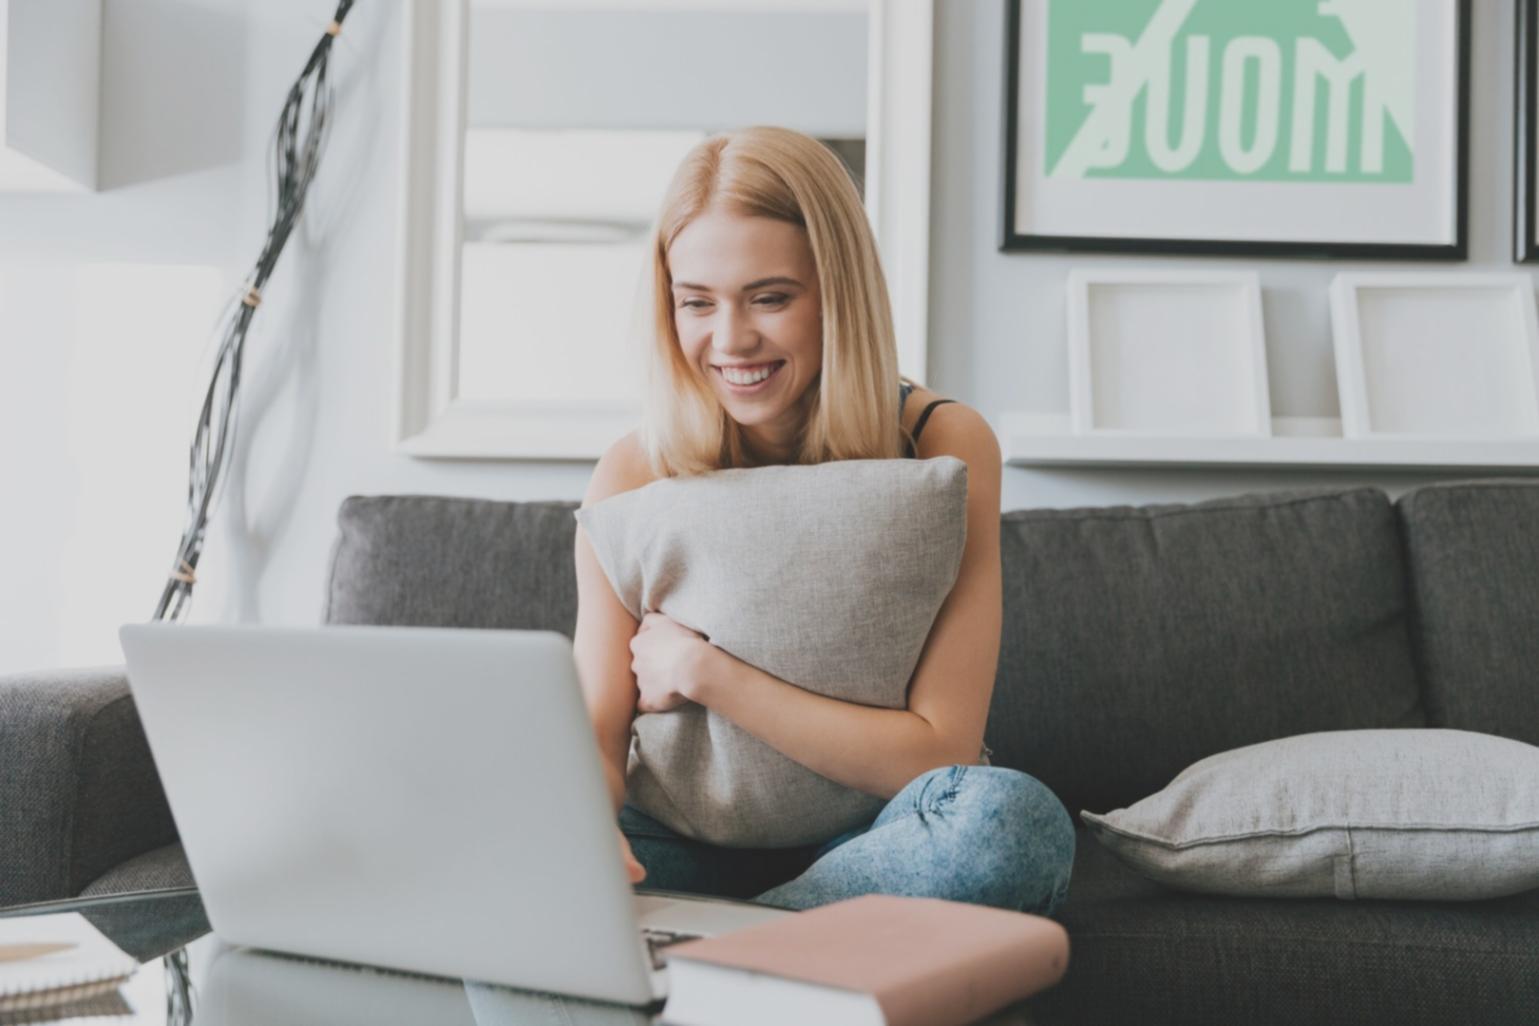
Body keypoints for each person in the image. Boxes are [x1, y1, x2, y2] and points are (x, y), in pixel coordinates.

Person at [572, 125, 1074, 915]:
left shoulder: (941, 443)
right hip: (676, 843)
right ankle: (798, 951)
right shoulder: (633, 470)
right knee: (499, 856)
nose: (731, 340)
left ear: (838, 293)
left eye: (770, 298)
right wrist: (581, 833)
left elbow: (939, 751)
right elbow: (596, 742)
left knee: (1013, 826)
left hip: (872, 846)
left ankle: (725, 946)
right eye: (697, 302)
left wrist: (707, 674)